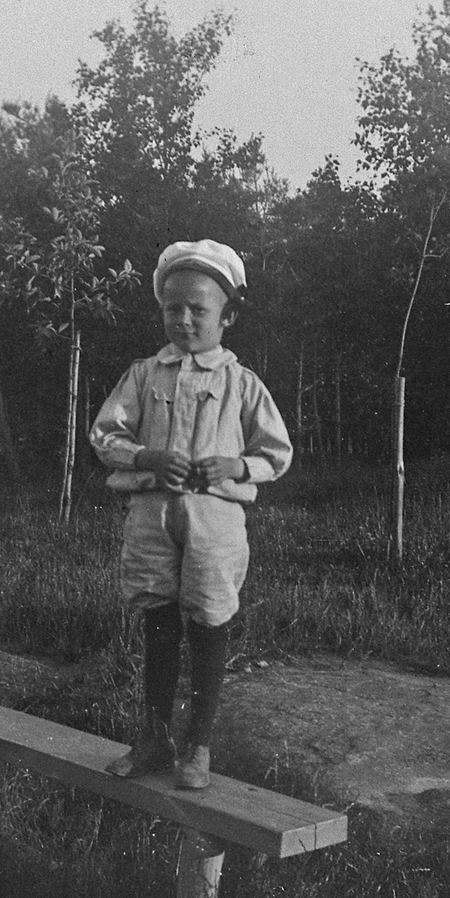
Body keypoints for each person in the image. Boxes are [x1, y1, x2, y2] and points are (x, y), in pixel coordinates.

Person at [90, 240, 292, 790]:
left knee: (208, 621)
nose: (183, 319)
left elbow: (276, 452)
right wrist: (146, 457)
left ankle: (198, 744)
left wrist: (236, 465)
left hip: (214, 523)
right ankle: (154, 738)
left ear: (227, 317)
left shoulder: (241, 383)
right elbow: (106, 434)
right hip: (152, 517)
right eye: (172, 308)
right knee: (158, 621)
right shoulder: (143, 375)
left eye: (197, 309)